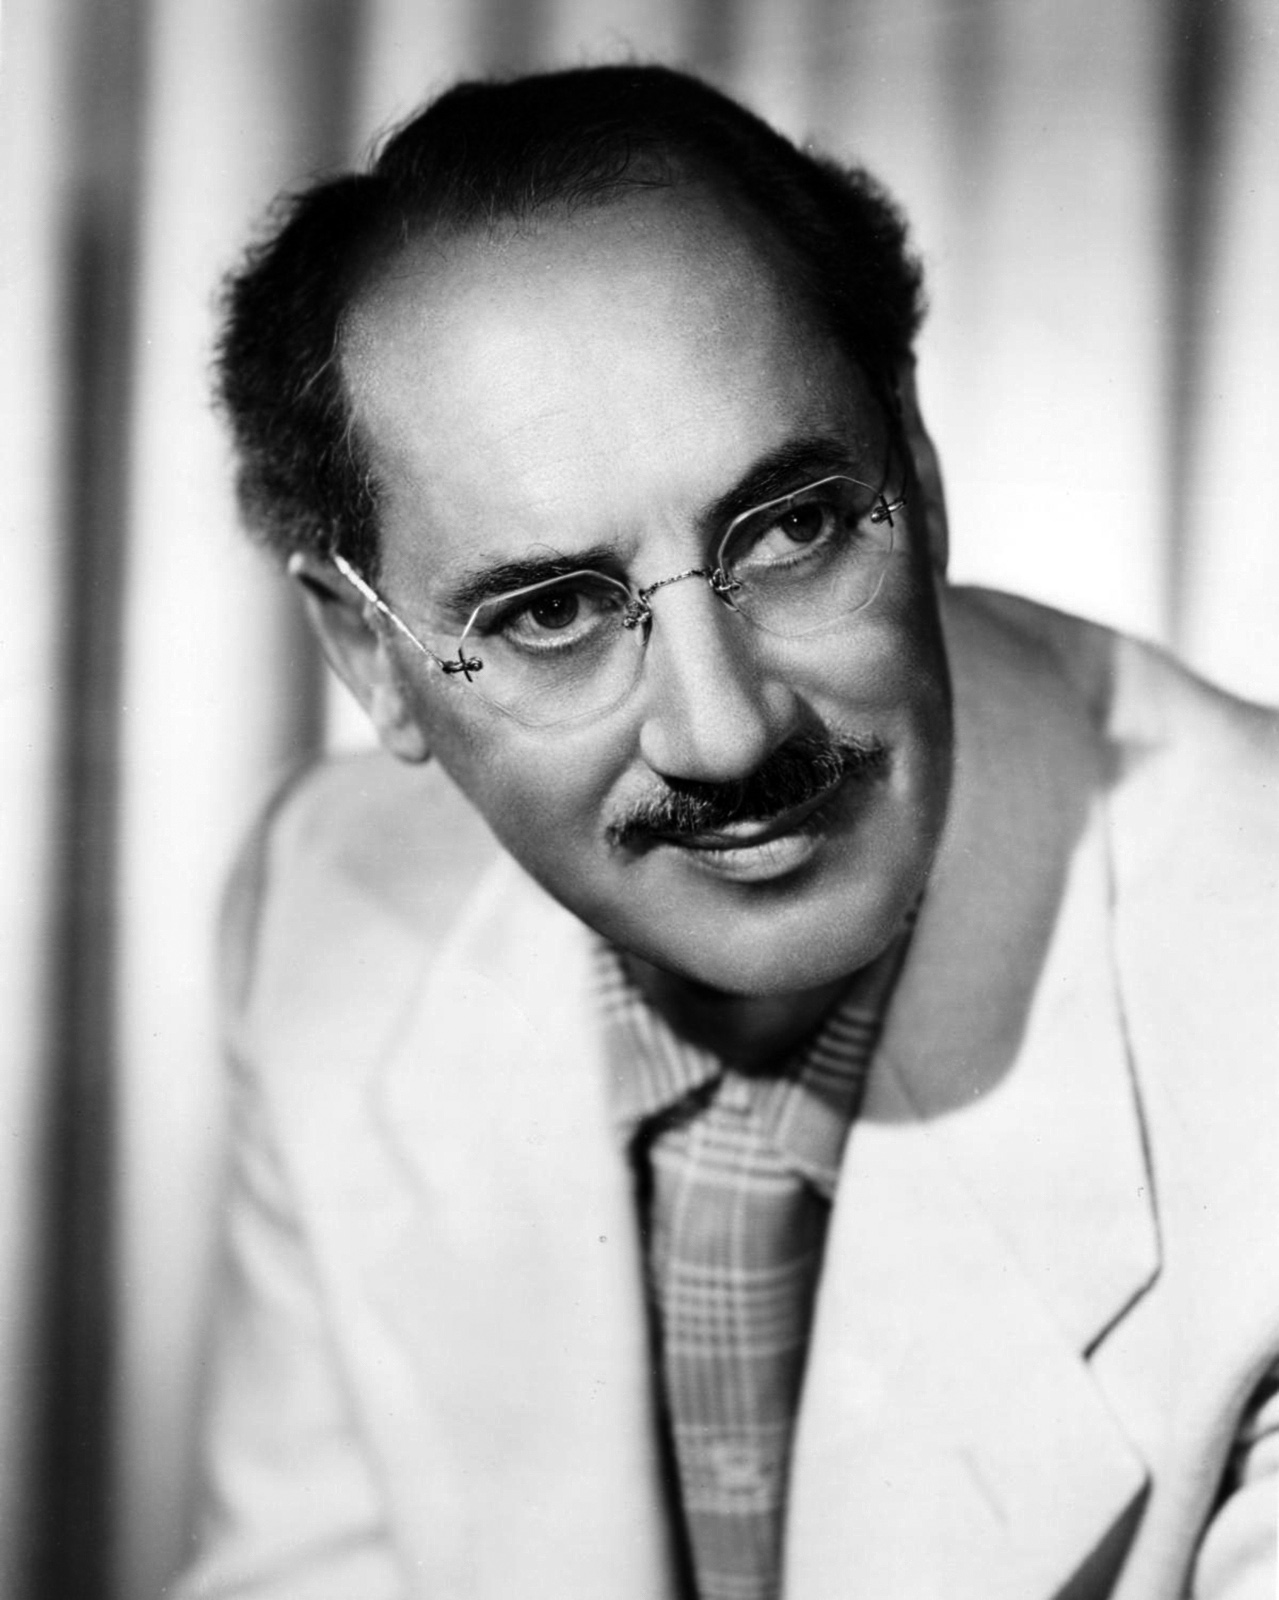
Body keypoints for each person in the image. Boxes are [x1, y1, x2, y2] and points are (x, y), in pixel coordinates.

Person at [175, 64, 1278, 1600]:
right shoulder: (326, 916)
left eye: (795, 526)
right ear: (373, 659)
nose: (725, 732)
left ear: (918, 469)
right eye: (551, 611)